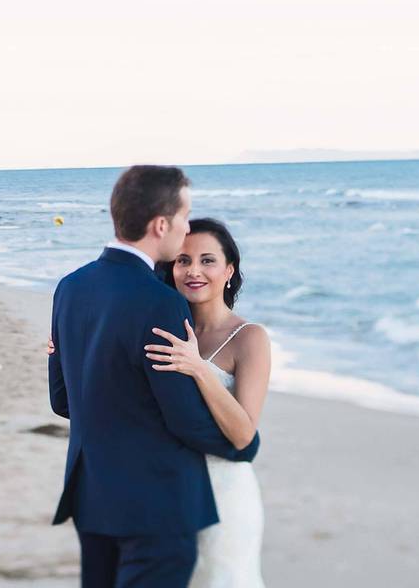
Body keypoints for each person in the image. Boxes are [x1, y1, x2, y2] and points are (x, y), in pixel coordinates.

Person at [47, 166, 260, 588]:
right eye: (184, 217)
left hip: (93, 496)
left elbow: (62, 401)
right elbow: (181, 416)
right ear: (161, 224)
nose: (185, 228)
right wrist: (240, 446)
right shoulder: (160, 303)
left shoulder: (69, 287)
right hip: (157, 504)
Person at [150, 217, 271, 587]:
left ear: (229, 270)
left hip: (225, 497)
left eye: (207, 260)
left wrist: (199, 369)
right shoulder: (161, 330)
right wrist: (65, 349)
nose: (193, 271)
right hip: (165, 492)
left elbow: (242, 434)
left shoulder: (249, 338)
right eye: (183, 260)